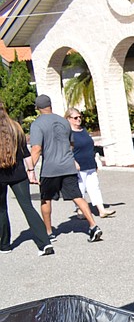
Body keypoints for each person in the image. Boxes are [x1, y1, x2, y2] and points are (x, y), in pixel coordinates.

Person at [29, 94, 103, 243]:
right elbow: (71, 143)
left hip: (50, 168)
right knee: (77, 196)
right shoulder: (63, 121)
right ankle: (93, 225)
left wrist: (30, 169)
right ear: (50, 105)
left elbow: (36, 148)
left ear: (37, 108)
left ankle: (49, 232)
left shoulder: (37, 124)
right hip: (67, 165)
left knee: (46, 198)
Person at [0, 100, 54, 255]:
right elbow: (25, 152)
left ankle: (4, 245)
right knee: (28, 207)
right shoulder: (16, 127)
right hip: (18, 174)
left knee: (1, 209)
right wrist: (31, 170)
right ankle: (45, 243)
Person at [65, 108, 116, 219]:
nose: (78, 119)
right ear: (68, 119)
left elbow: (90, 146)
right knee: (80, 188)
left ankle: (101, 210)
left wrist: (96, 162)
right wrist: (73, 162)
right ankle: (79, 210)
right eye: (75, 118)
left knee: (94, 187)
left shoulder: (83, 130)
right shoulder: (68, 133)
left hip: (90, 163)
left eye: (80, 117)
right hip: (78, 165)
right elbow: (67, 150)